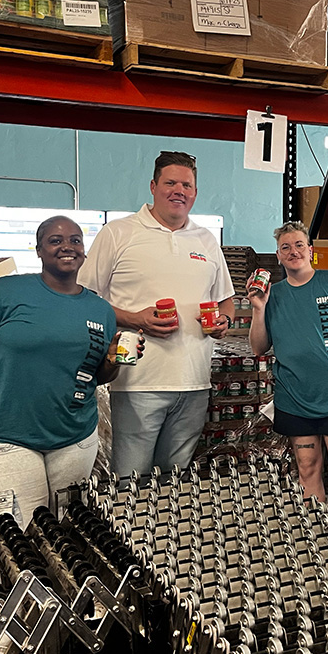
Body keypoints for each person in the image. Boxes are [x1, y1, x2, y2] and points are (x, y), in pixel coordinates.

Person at [0, 216, 124, 533]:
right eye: (55, 240)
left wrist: (115, 361)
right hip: (7, 437)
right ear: (39, 250)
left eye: (75, 240)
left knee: (68, 531)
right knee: (16, 536)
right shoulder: (4, 293)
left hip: (75, 439)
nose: (67, 246)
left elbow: (96, 374)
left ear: (83, 252)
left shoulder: (100, 310)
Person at [79, 151, 235, 477]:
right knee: (131, 480)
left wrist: (224, 322)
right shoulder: (118, 233)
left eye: (187, 185)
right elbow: (85, 300)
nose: (179, 190)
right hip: (138, 383)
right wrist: (135, 319)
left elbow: (225, 301)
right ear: (153, 186)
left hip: (194, 382)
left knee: (175, 482)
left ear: (195, 192)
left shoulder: (205, 239)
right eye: (171, 183)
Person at [248, 221, 328, 524]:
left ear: (311, 251)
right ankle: (318, 541)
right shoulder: (272, 295)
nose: (293, 251)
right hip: (295, 397)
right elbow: (259, 347)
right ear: (277, 255)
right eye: (285, 247)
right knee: (308, 469)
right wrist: (259, 308)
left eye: (299, 245)